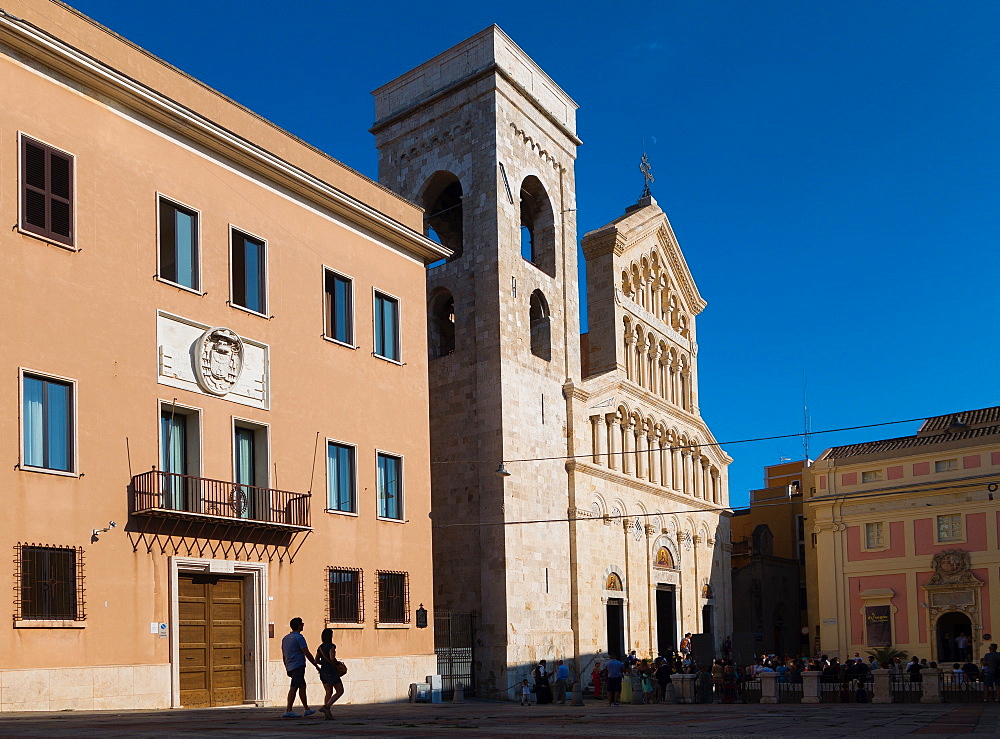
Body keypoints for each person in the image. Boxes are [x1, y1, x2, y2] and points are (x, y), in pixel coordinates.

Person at [281, 617, 320, 718]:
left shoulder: (285, 638)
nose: (303, 625)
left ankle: (307, 708)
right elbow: (306, 652)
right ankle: (289, 710)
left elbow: (284, 654)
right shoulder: (299, 638)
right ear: (299, 626)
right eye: (302, 624)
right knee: (294, 687)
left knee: (302, 686)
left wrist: (286, 667)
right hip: (298, 665)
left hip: (290, 665)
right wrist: (316, 665)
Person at [315, 628, 344, 720]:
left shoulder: (320, 647)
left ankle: (327, 714)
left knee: (328, 691)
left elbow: (316, 660)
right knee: (340, 691)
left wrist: (324, 664)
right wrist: (337, 663)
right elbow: (332, 658)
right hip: (331, 671)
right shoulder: (331, 646)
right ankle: (327, 706)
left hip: (323, 671)